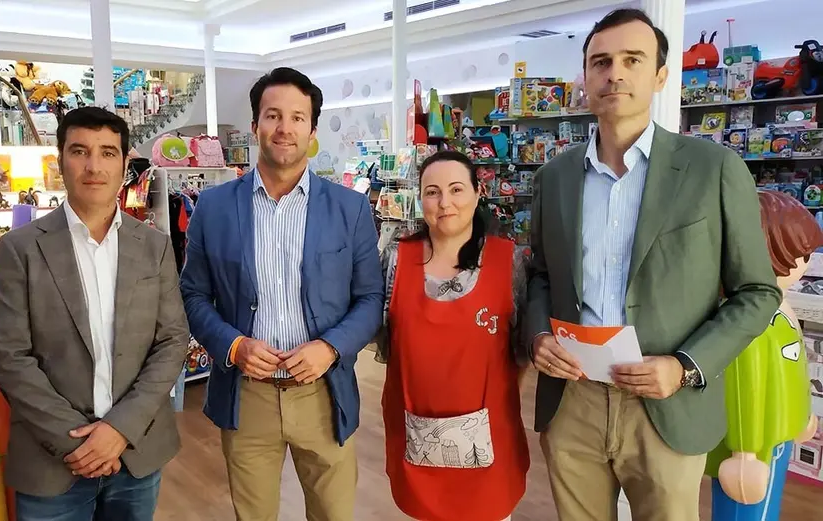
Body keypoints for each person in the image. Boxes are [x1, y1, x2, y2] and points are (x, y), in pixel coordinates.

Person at [523, 8, 782, 521]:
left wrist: (685, 367)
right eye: (600, 62)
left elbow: (757, 292)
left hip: (666, 402)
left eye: (632, 60)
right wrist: (537, 337)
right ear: (585, 79)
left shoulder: (713, 169)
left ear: (660, 76)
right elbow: (541, 276)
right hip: (573, 398)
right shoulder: (554, 177)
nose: (614, 73)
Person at [180, 67, 384, 521]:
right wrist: (234, 345)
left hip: (323, 393)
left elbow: (371, 299)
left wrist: (330, 348)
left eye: (297, 118)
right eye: (273, 116)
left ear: (312, 131)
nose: (284, 128)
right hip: (246, 394)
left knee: (333, 514)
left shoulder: (349, 208)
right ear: (255, 125)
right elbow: (193, 294)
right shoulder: (213, 207)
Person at [0, 106, 190, 520]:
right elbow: (9, 357)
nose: (94, 166)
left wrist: (118, 430)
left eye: (107, 153)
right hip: (53, 457)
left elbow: (171, 341)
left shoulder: (153, 246)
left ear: (124, 165)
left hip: (136, 450)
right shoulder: (20, 249)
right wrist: (80, 442)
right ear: (60, 160)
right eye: (80, 151)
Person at [376, 150, 529, 521]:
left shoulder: (509, 261)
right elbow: (385, 341)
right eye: (432, 192)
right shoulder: (396, 260)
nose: (445, 202)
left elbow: (522, 350)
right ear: (420, 199)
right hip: (415, 435)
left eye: (456, 189)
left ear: (478, 193)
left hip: (491, 441)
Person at [706, 190, 822, 521]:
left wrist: (801, 415)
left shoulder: (776, 308)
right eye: (800, 253)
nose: (806, 261)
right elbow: (745, 389)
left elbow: (792, 368)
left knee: (766, 509)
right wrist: (744, 453)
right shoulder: (747, 319)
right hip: (753, 447)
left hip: (777, 433)